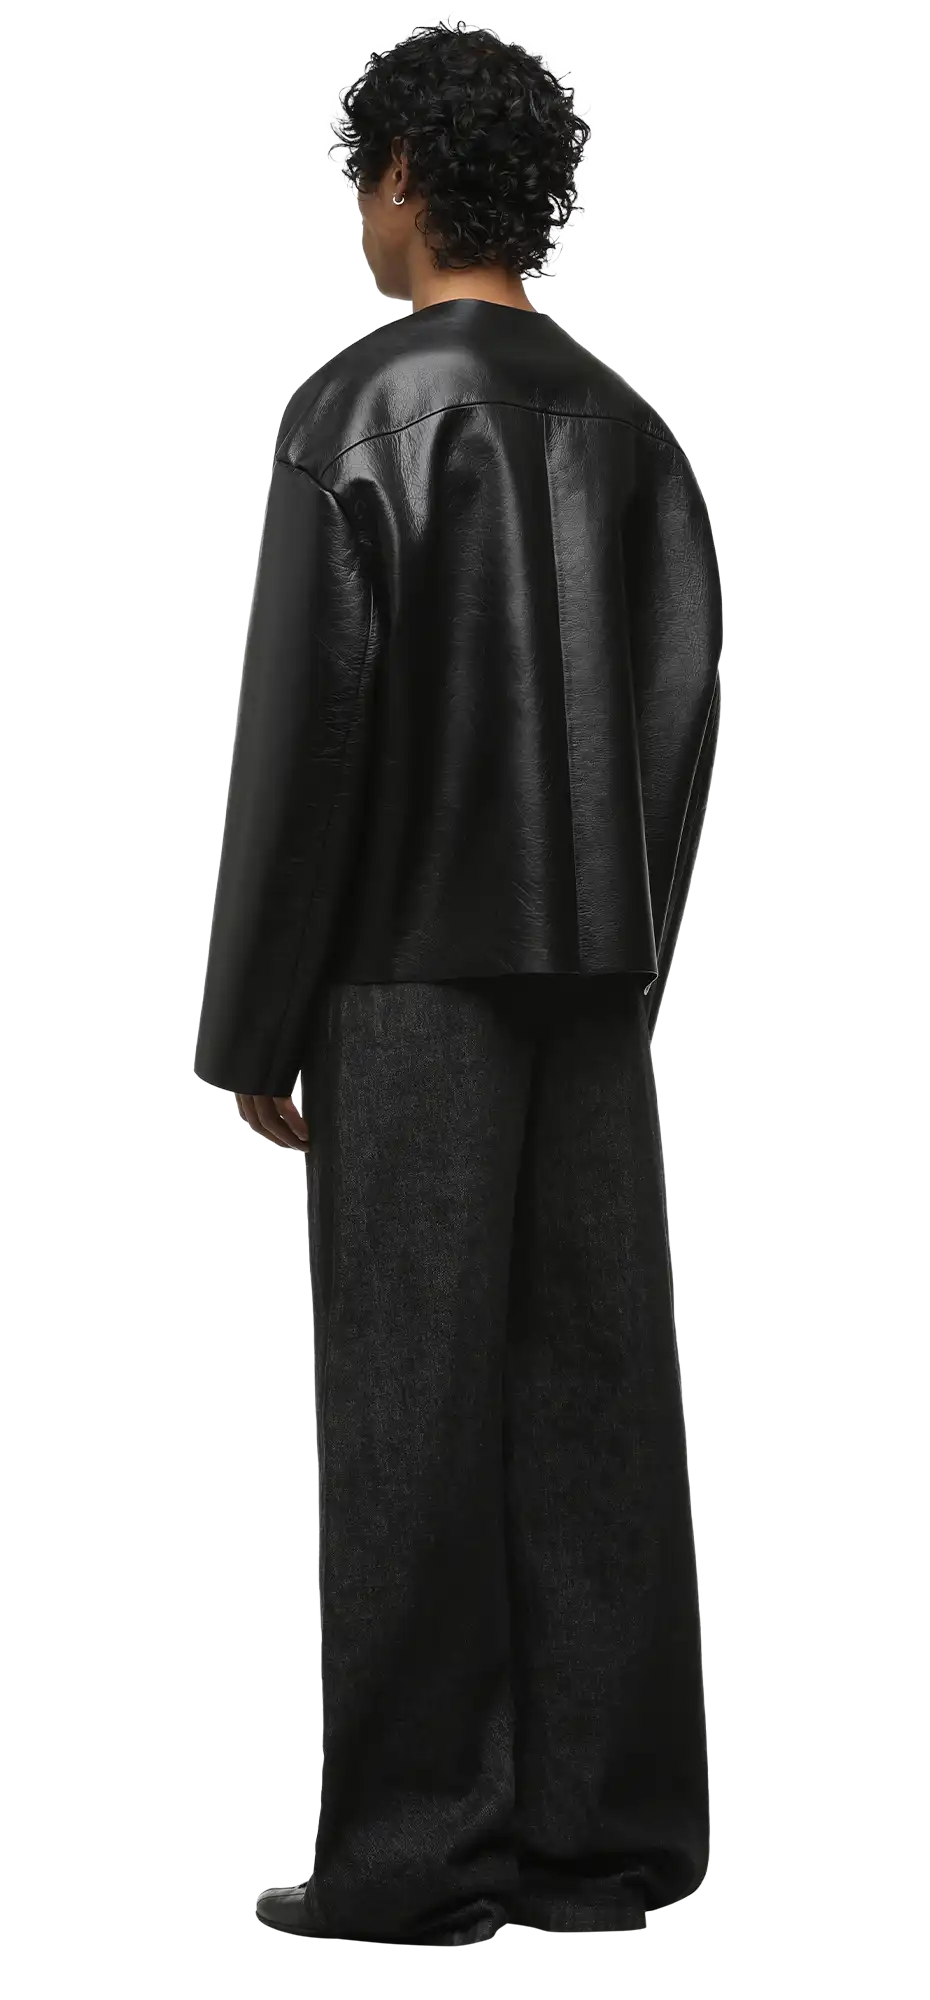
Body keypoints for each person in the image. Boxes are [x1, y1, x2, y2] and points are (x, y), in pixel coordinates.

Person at [193, 17, 723, 1950]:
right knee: (593, 1398)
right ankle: (600, 1843)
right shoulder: (631, 428)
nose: (362, 217)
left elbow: (304, 742)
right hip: (588, 977)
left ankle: (423, 1850)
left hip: (403, 977)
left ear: (405, 174)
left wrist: (256, 1023)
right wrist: (627, 961)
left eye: (366, 181)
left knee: (407, 1404)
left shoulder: (359, 408)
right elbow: (678, 727)